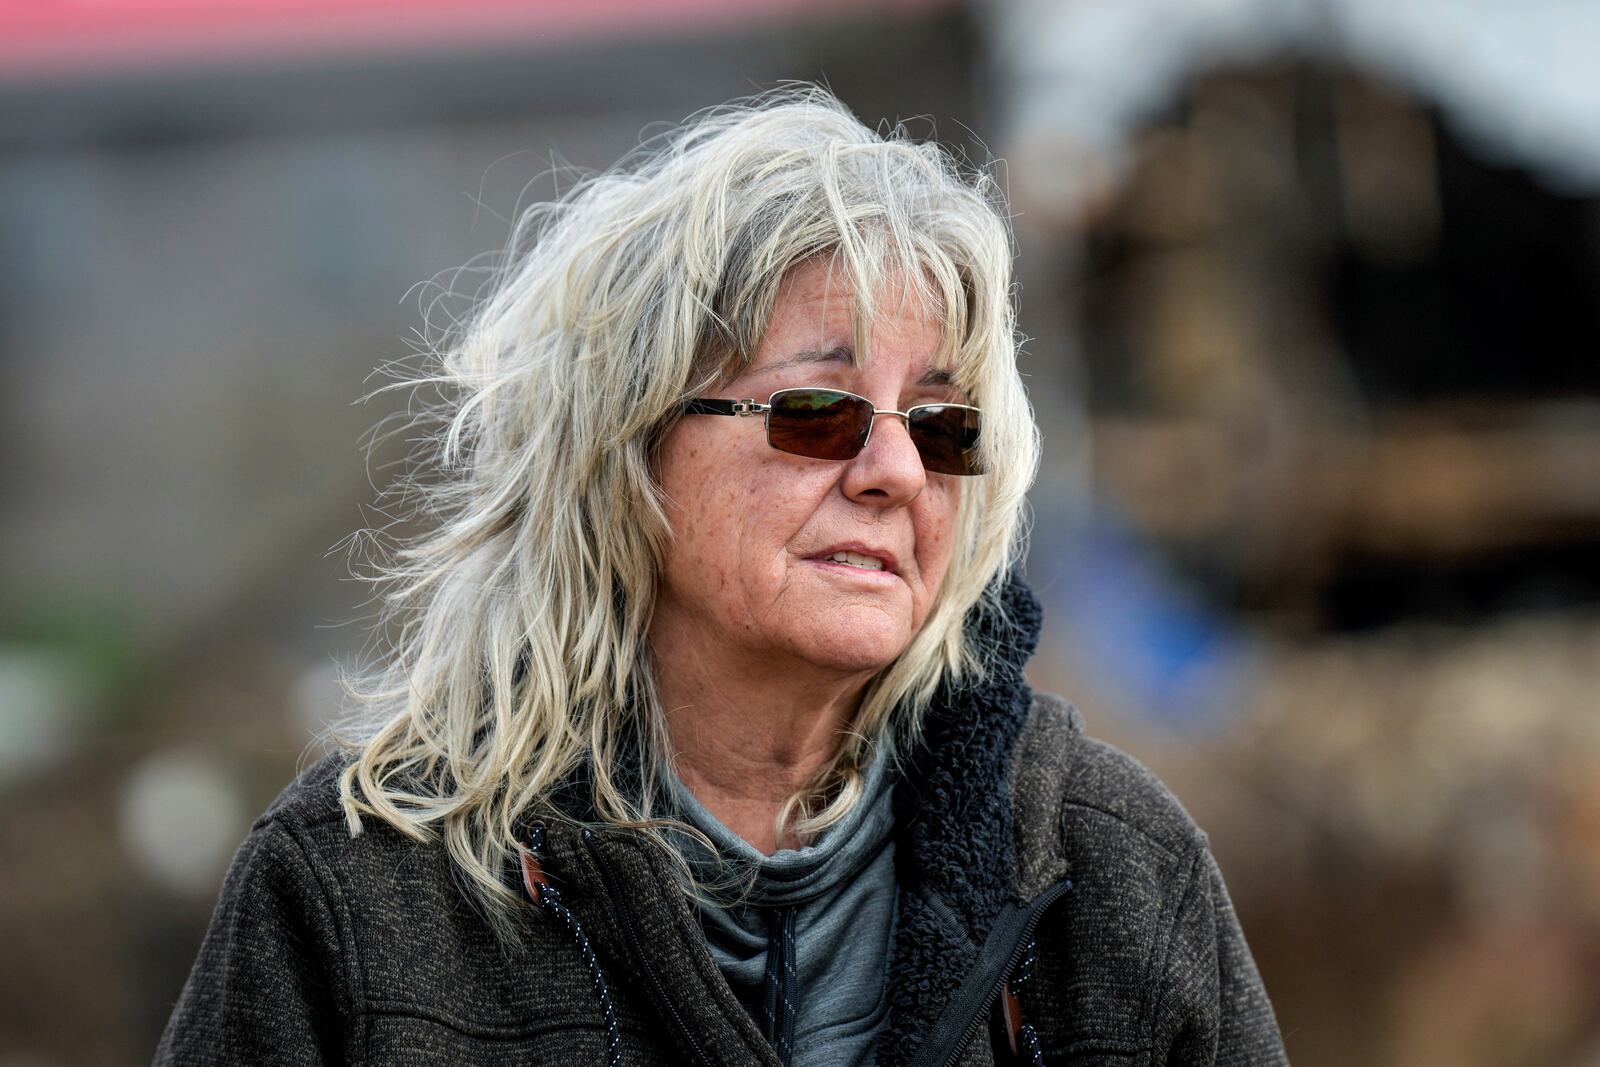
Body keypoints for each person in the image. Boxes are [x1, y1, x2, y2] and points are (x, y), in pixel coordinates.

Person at [155, 87, 1288, 1066]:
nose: (895, 468)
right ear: (625, 447)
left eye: (942, 422)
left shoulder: (1108, 869)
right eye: (816, 408)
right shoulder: (358, 891)